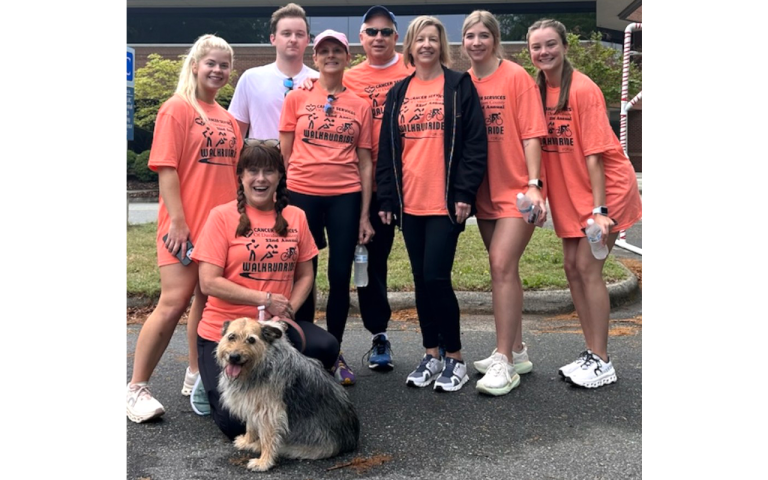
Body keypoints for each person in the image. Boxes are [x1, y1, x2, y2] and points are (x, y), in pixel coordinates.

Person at [126, 34, 242, 423]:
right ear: (195, 64)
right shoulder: (175, 109)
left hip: (220, 229)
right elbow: (167, 168)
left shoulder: (227, 118)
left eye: (224, 65)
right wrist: (177, 222)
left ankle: (195, 372)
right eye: (211, 62)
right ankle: (136, 387)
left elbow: (236, 176)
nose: (218, 70)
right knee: (174, 301)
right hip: (184, 227)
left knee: (205, 301)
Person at [191, 142, 338, 439]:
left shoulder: (295, 216)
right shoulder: (221, 217)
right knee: (236, 425)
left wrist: (285, 316)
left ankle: (279, 396)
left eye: (269, 171)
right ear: (241, 177)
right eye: (253, 171)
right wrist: (264, 298)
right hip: (226, 331)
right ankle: (211, 375)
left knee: (326, 347)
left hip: (272, 332)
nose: (261, 179)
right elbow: (208, 282)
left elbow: (305, 274)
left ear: (279, 177)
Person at [526, 19, 642, 388]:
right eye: (536, 47)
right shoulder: (537, 89)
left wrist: (600, 210)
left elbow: (594, 154)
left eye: (550, 44)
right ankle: (591, 351)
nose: (544, 52)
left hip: (604, 193)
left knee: (588, 269)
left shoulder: (583, 89)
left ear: (564, 47)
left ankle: (603, 359)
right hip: (570, 194)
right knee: (572, 268)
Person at [377, 16, 487, 392]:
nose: (426, 45)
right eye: (419, 39)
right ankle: (431, 353)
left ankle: (455, 357)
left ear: (442, 45)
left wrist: (464, 194)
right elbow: (387, 152)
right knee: (421, 280)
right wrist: (388, 198)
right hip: (410, 204)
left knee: (438, 277)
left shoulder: (459, 86)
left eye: (433, 39)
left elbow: (475, 145)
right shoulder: (398, 92)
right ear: (408, 46)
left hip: (444, 203)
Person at [459, 11, 548, 396]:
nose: (476, 42)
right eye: (469, 36)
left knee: (501, 264)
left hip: (517, 192)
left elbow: (532, 135)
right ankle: (517, 347)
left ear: (495, 40)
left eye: (483, 35)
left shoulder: (516, 77)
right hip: (483, 192)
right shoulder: (463, 82)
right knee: (503, 271)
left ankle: (504, 362)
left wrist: (534, 185)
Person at [279, 30, 375, 386]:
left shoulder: (360, 103)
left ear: (347, 57)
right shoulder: (296, 98)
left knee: (338, 276)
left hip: (345, 195)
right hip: (302, 194)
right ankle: (302, 352)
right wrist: (284, 198)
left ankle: (333, 352)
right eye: (324, 51)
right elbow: (285, 151)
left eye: (337, 50)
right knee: (304, 273)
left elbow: (365, 160)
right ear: (314, 58)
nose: (330, 55)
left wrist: (364, 213)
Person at [341, 5, 413, 371]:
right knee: (371, 260)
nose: (379, 38)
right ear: (361, 38)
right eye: (372, 32)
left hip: (413, 179)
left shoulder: (413, 70)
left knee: (426, 263)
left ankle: (441, 345)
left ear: (396, 37)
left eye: (386, 32)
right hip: (367, 181)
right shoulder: (349, 77)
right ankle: (378, 334)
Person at [228, 3, 317, 139]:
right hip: (262, 159)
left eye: (299, 34)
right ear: (273, 39)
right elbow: (235, 133)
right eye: (286, 34)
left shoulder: (319, 81)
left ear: (307, 40)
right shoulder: (251, 78)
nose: (293, 39)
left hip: (308, 159)